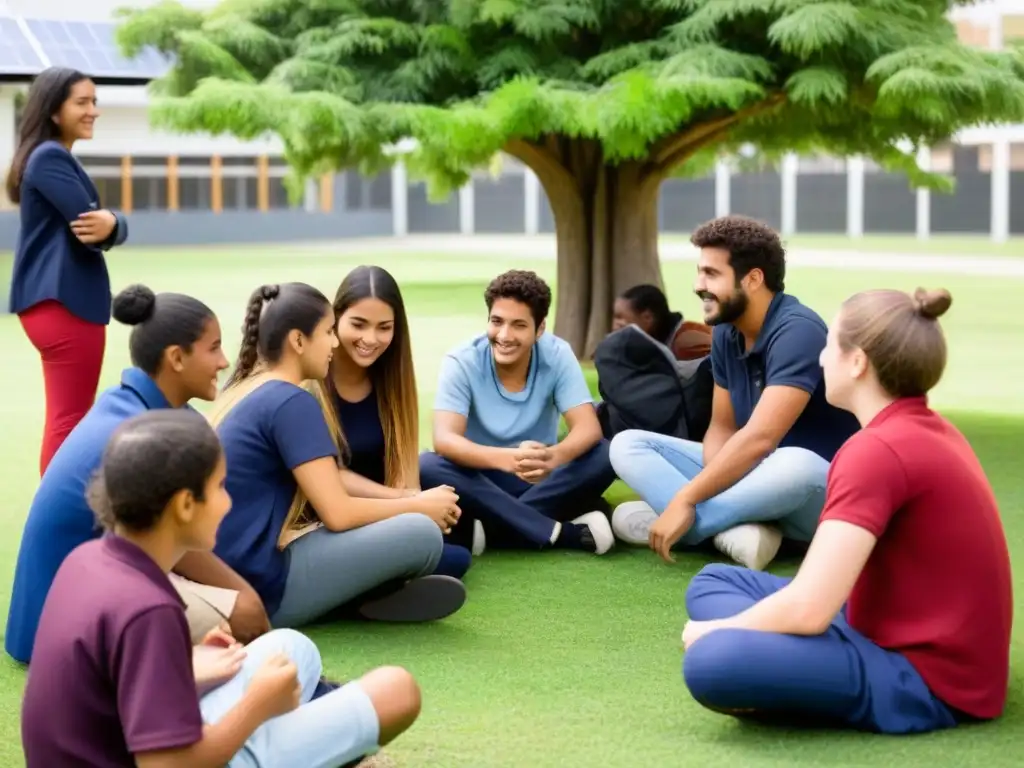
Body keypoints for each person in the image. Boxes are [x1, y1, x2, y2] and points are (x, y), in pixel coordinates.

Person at [679, 287, 1012, 735]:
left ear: (857, 362)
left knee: (711, 661)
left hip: (927, 680)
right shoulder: (927, 428)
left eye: (829, 345)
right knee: (712, 581)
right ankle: (795, 664)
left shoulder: (876, 451)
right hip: (883, 625)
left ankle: (789, 673)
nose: (819, 360)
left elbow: (811, 610)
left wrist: (719, 631)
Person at [22, 409, 421, 767]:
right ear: (183, 505)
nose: (228, 503)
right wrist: (257, 705)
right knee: (397, 691)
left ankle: (302, 731)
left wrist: (181, 669)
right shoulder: (148, 609)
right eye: (220, 488)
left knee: (290, 647)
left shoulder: (89, 559)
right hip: (166, 759)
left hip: (118, 742)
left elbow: (104, 689)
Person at [5, 284, 271, 665]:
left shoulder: (135, 406)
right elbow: (177, 543)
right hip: (62, 626)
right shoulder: (146, 433)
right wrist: (247, 601)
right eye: (213, 348)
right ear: (176, 358)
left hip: (89, 589)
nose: (224, 361)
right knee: (245, 621)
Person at [209, 282, 467, 629]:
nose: (335, 343)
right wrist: (418, 505)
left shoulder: (251, 388)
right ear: (298, 341)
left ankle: (365, 593)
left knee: (446, 553)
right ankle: (358, 599)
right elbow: (339, 514)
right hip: (266, 588)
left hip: (238, 574)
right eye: (329, 331)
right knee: (423, 534)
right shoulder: (292, 401)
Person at [609, 216, 860, 570]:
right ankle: (739, 527)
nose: (698, 285)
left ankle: (691, 526)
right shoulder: (727, 331)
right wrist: (712, 488)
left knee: (794, 461)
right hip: (754, 475)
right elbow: (722, 428)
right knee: (628, 444)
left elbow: (760, 439)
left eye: (711, 274)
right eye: (699, 272)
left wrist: (685, 498)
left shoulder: (798, 332)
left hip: (822, 491)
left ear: (753, 279)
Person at [420, 269, 616, 556]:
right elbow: (445, 440)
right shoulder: (461, 360)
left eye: (519, 325)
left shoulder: (557, 354)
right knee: (426, 465)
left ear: (539, 329)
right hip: (479, 478)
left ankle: (488, 528)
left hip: (539, 476)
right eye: (497, 322)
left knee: (607, 453)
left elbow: (588, 428)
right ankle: (560, 532)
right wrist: (507, 459)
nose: (504, 335)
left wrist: (552, 458)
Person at [5, 67, 130, 475]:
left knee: (69, 417)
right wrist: (115, 223)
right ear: (53, 110)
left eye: (94, 101)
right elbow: (91, 229)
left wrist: (111, 222)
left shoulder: (47, 156)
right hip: (64, 303)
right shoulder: (50, 157)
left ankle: (58, 512)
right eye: (82, 102)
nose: (93, 110)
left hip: (56, 303)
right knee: (70, 420)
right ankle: (59, 516)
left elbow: (97, 224)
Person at [317, 265, 472, 579]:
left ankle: (389, 576)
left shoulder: (393, 383)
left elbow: (405, 474)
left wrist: (416, 506)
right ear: (335, 320)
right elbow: (329, 476)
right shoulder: (314, 382)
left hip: (385, 516)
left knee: (455, 551)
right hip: (328, 517)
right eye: (358, 324)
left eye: (384, 327)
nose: (370, 339)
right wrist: (411, 502)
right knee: (448, 557)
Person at [611, 284, 712, 361]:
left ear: (647, 318)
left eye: (620, 317)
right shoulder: (663, 342)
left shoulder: (685, 343)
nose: (615, 325)